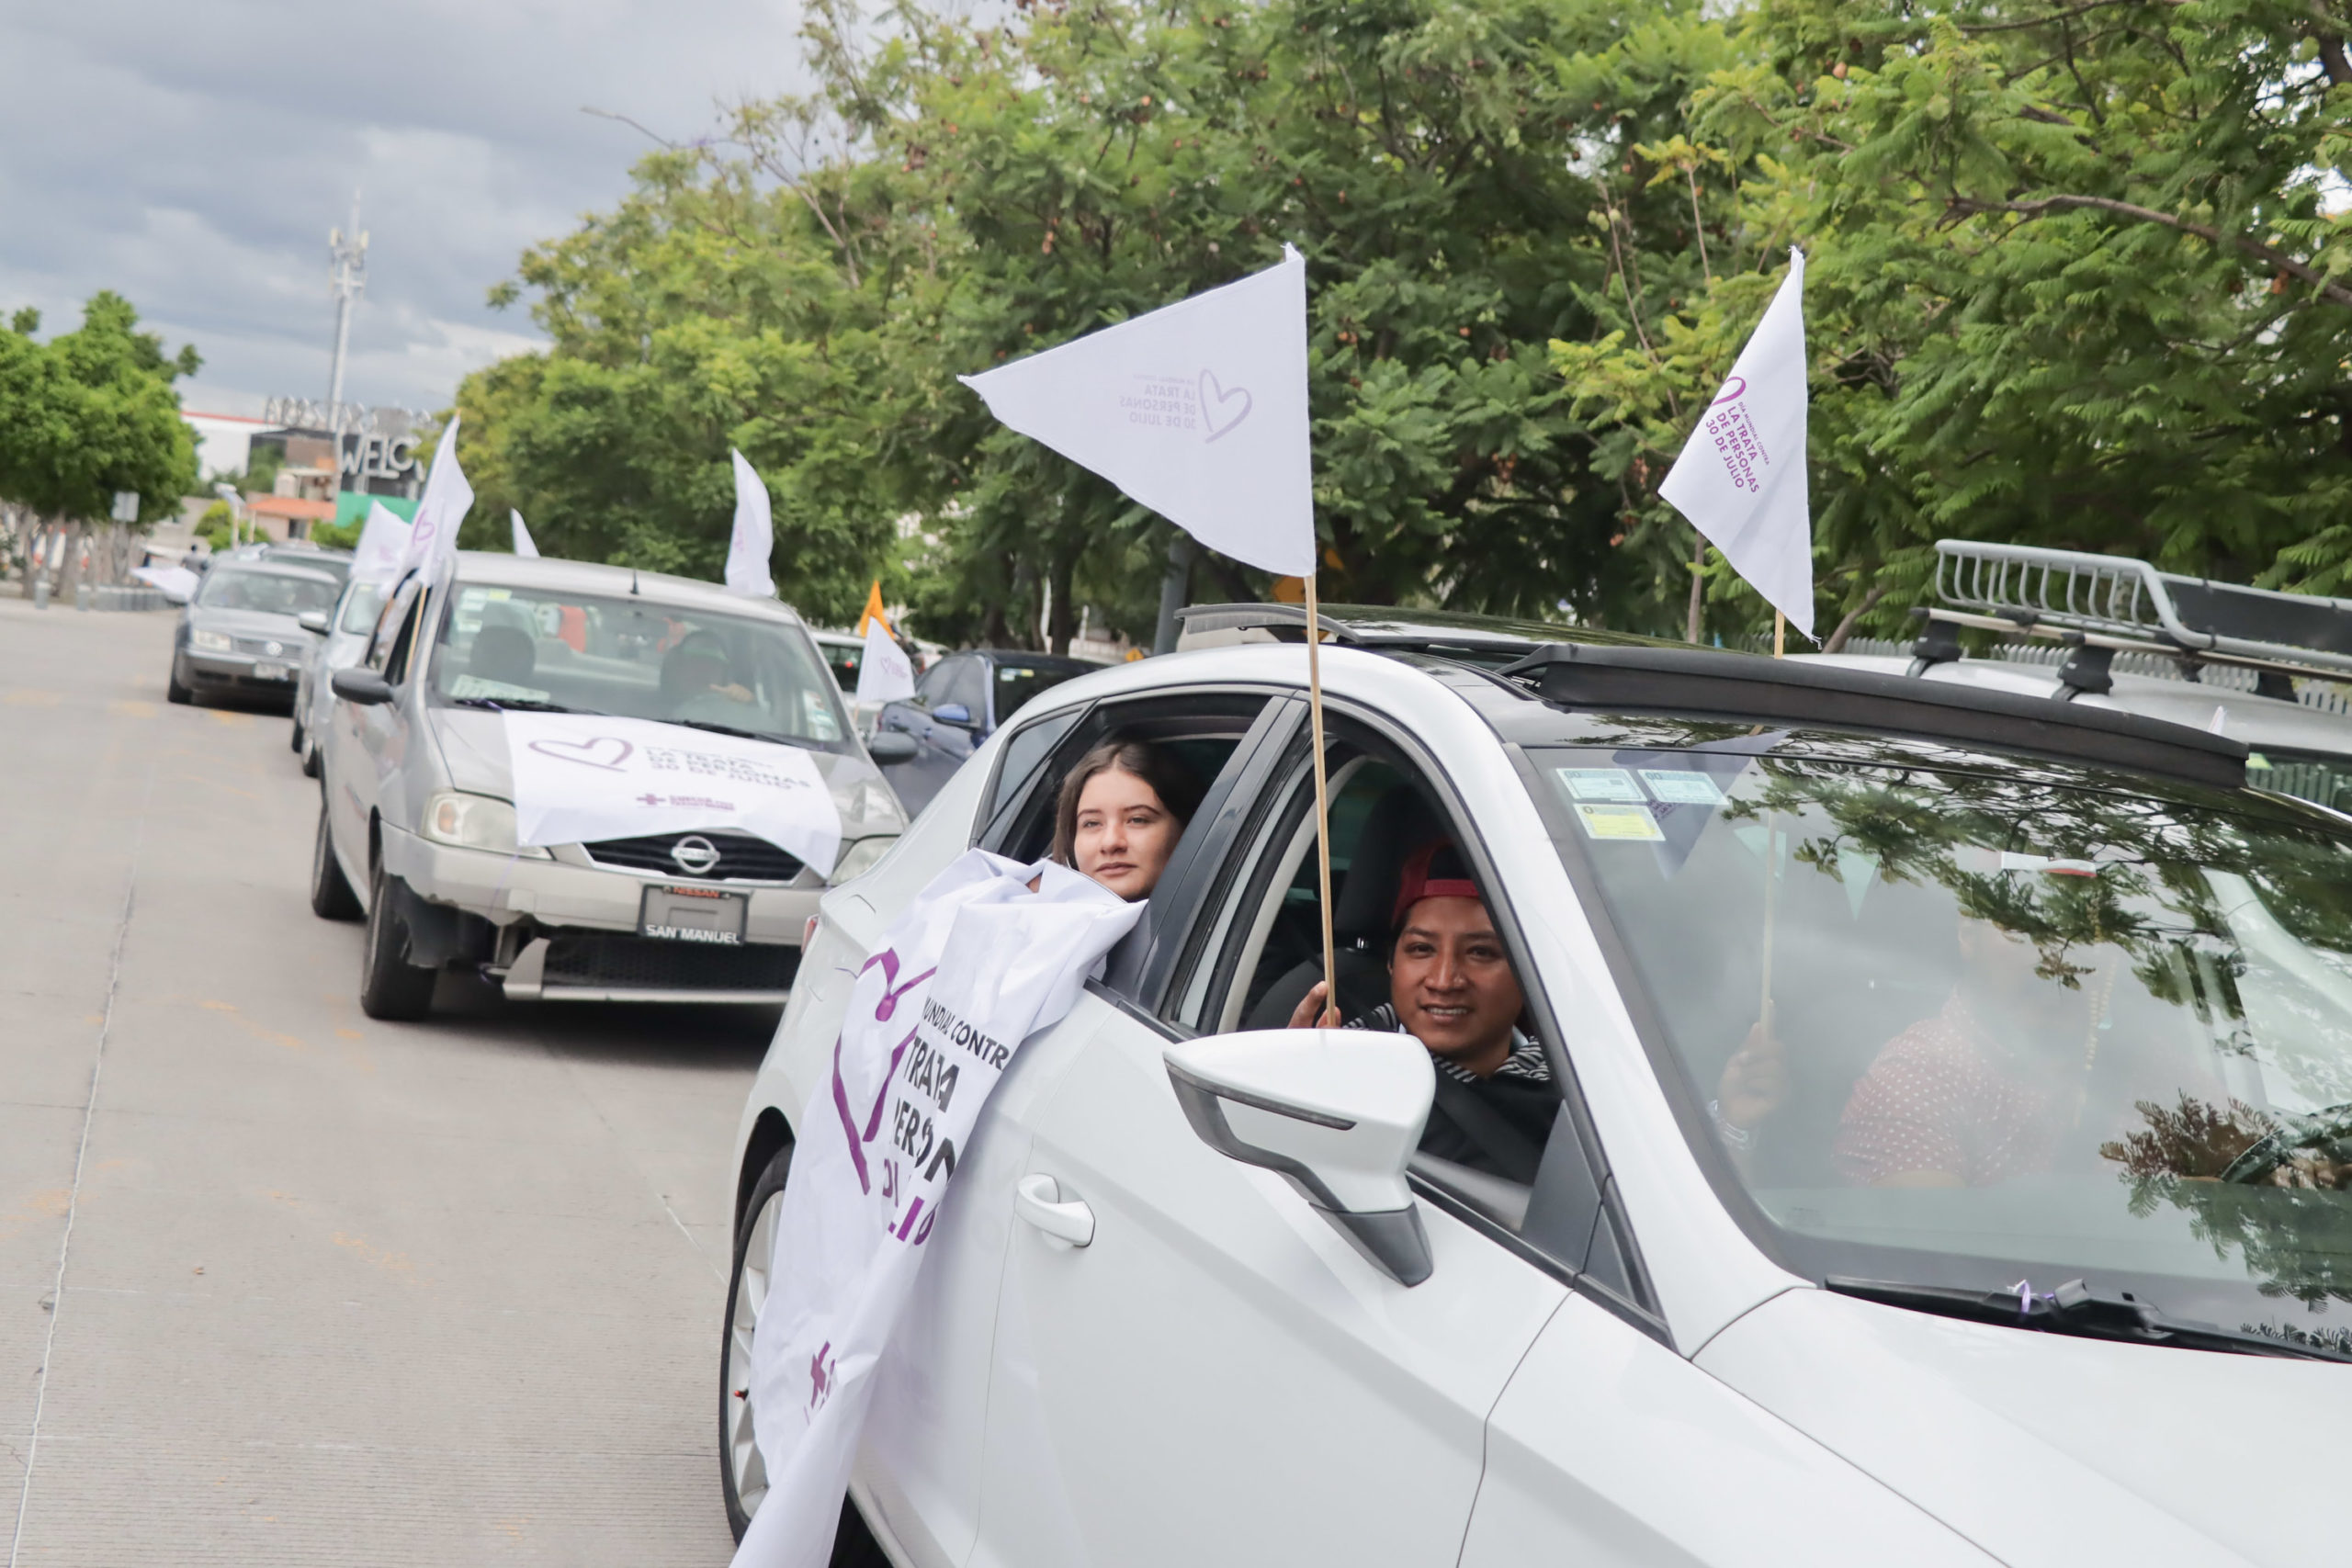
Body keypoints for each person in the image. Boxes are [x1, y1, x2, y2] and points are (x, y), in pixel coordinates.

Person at [1288, 840, 1555, 1181]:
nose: (1444, 981)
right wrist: (1292, 1098)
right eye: (1421, 948)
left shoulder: (1584, 1094)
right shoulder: (1344, 1078)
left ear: (1530, 972)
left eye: (1481, 953)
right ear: (1391, 962)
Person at [1832, 915, 2108, 1188]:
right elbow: (1928, 1227)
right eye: (2025, 928)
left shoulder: (2134, 1071)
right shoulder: (1918, 1073)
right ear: (1969, 935)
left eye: (2083, 932)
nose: (2055, 953)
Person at [1052, 739, 1206, 902]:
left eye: (1137, 820)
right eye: (1092, 823)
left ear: (1188, 829)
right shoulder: (1036, 919)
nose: (1111, 843)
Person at [662, 630, 761, 726]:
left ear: (724, 673)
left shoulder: (737, 711)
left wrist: (750, 705)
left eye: (712, 664)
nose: (702, 671)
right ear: (678, 668)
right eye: (694, 662)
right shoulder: (649, 712)